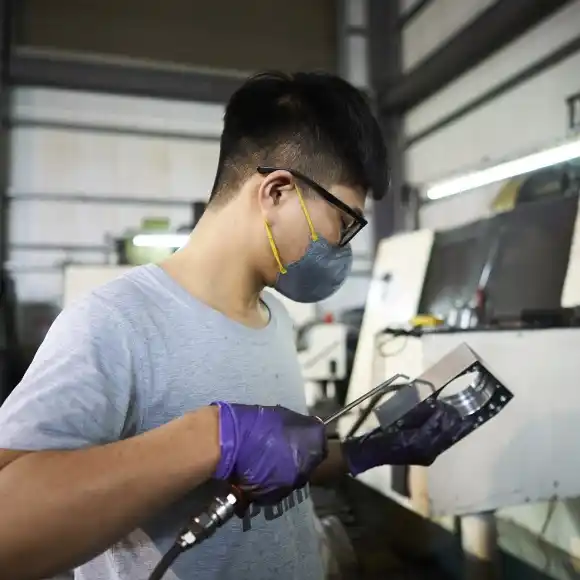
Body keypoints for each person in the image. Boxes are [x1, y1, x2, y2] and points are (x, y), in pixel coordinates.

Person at [0, 71, 465, 580]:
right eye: (344, 221)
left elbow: (275, 464)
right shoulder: (115, 323)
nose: (343, 247)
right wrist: (212, 437)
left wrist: (366, 451)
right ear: (277, 192)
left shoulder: (277, 320)